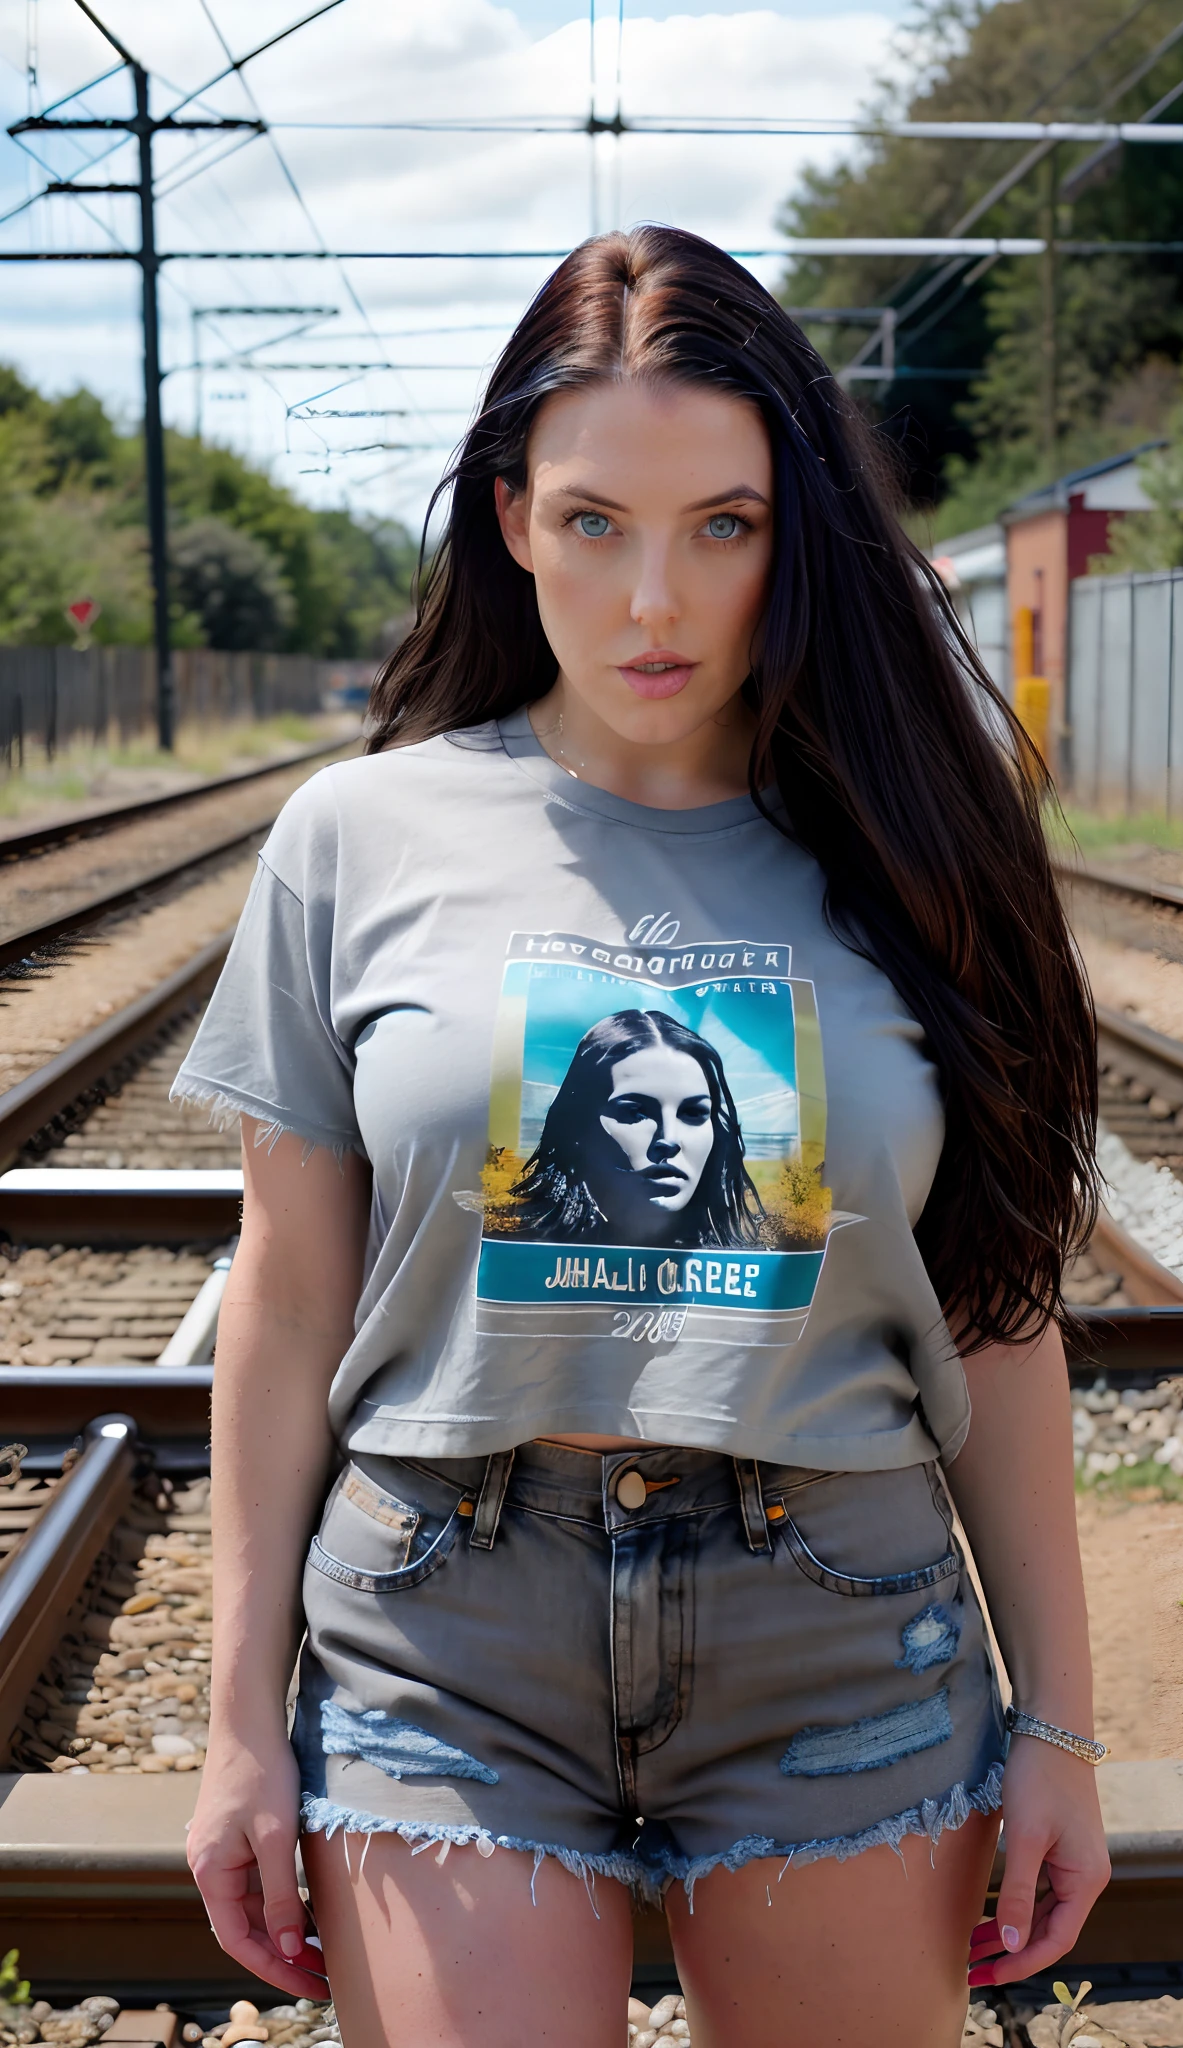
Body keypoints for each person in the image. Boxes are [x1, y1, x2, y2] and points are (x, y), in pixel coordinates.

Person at [176, 224, 1110, 2048]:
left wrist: (1060, 1721)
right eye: (597, 522)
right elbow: (285, 1306)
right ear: (515, 516)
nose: (656, 603)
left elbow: (996, 1306)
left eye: (725, 525)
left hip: (834, 1616)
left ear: (796, 531)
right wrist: (233, 1722)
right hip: (447, 1631)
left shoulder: (920, 840)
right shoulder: (354, 836)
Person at [504, 1007, 764, 1248]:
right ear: (579, 1128)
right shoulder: (512, 1251)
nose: (669, 1139)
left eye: (693, 1113)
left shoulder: (753, 1275)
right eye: (634, 1112)